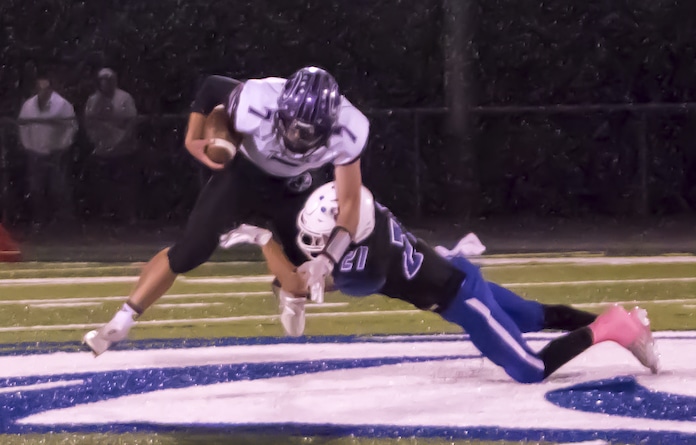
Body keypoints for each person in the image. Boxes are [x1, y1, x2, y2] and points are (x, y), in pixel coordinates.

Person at [219, 182, 660, 383]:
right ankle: (619, 323)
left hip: (459, 297)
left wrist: (264, 242)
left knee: (530, 369)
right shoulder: (373, 218)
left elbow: (302, 285)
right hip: (457, 275)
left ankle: (613, 327)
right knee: (534, 316)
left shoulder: (362, 268)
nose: (320, 249)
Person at [83, 66, 369, 355]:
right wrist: (193, 136)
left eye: (309, 133)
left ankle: (284, 281)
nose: (297, 138)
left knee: (332, 275)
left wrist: (328, 259)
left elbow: (349, 203)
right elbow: (211, 87)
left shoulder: (349, 128)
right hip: (242, 175)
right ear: (281, 108)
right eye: (294, 127)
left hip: (294, 186)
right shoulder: (258, 98)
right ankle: (121, 321)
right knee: (189, 252)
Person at [17, 77, 78, 229]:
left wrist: (63, 146)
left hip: (57, 153)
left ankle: (62, 222)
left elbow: (71, 128)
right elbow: (23, 128)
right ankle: (40, 220)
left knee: (58, 188)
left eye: (46, 89)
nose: (43, 92)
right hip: (35, 152)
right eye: (40, 89)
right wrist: (28, 146)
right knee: (36, 188)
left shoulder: (62, 104)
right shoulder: (28, 106)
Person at [83, 68, 139, 223]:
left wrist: (121, 140)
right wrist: (98, 142)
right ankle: (106, 217)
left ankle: (128, 216)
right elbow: (89, 123)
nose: (105, 83)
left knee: (124, 184)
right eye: (102, 80)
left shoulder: (124, 98)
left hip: (123, 149)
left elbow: (131, 122)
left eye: (109, 80)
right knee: (104, 185)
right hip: (102, 149)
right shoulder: (93, 100)